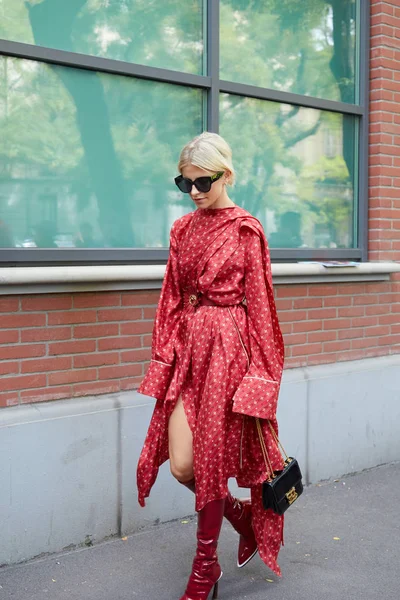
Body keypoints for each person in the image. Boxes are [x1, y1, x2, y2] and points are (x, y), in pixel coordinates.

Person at [137, 132, 285, 600]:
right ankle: (240, 517)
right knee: (183, 466)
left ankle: (206, 569)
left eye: (204, 181)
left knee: (211, 461)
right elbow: (170, 300)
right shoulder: (182, 230)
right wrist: (165, 356)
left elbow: (262, 307)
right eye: (186, 183)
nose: (196, 191)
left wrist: (261, 379)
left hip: (228, 355)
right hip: (189, 354)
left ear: (227, 174)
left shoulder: (246, 229)